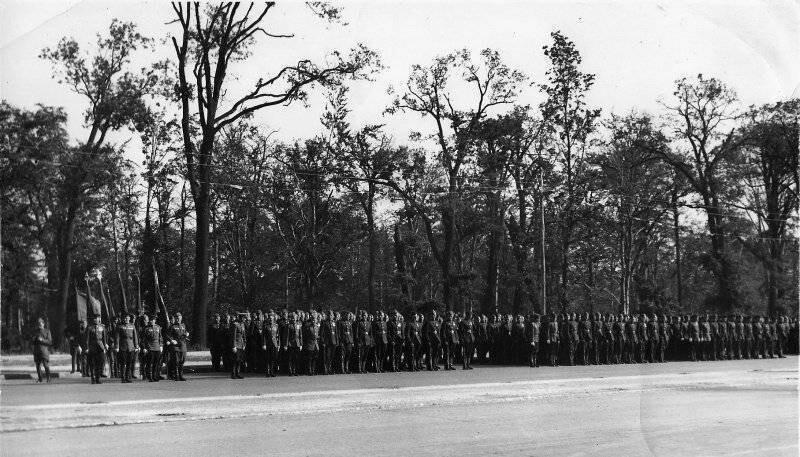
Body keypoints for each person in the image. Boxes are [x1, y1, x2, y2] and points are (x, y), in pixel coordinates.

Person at [114, 313, 139, 383]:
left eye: (127, 318)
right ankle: (123, 378)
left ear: (129, 318)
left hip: (131, 347)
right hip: (123, 347)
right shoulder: (119, 326)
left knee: (129, 363)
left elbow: (135, 337)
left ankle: (127, 377)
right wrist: (117, 347)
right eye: (124, 318)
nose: (126, 319)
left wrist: (136, 345)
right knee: (123, 363)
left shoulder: (132, 326)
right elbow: (117, 337)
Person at [85, 315, 109, 384]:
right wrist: (87, 348)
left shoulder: (102, 327)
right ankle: (93, 378)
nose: (96, 320)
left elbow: (104, 338)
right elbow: (87, 339)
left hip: (100, 346)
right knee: (92, 363)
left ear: (99, 319)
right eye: (94, 319)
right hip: (92, 346)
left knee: (101, 362)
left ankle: (98, 378)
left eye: (97, 318)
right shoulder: (89, 327)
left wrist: (105, 346)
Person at [166, 312, 189, 381]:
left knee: (182, 361)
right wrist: (171, 340)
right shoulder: (172, 326)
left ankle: (181, 375)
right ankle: (176, 376)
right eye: (176, 318)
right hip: (176, 346)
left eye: (179, 318)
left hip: (183, 345)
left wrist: (186, 334)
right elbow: (167, 335)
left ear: (181, 318)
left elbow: (184, 333)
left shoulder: (183, 325)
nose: (177, 319)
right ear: (175, 319)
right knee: (176, 361)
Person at [140, 314, 163, 382]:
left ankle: (154, 376)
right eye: (150, 320)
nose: (152, 321)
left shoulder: (158, 327)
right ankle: (149, 376)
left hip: (157, 347)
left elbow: (160, 337)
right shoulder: (146, 328)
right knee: (149, 363)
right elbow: (143, 339)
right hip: (150, 347)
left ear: (155, 321)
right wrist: (144, 348)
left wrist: (161, 345)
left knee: (156, 363)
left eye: (153, 320)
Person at [31, 318, 53, 383]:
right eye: (38, 324)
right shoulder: (35, 331)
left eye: (40, 323)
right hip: (36, 351)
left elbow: (50, 342)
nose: (39, 325)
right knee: (37, 366)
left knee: (45, 365)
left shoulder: (47, 331)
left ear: (43, 324)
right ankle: (40, 379)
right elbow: (32, 342)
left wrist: (42, 340)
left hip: (44, 351)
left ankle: (48, 378)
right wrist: (33, 339)